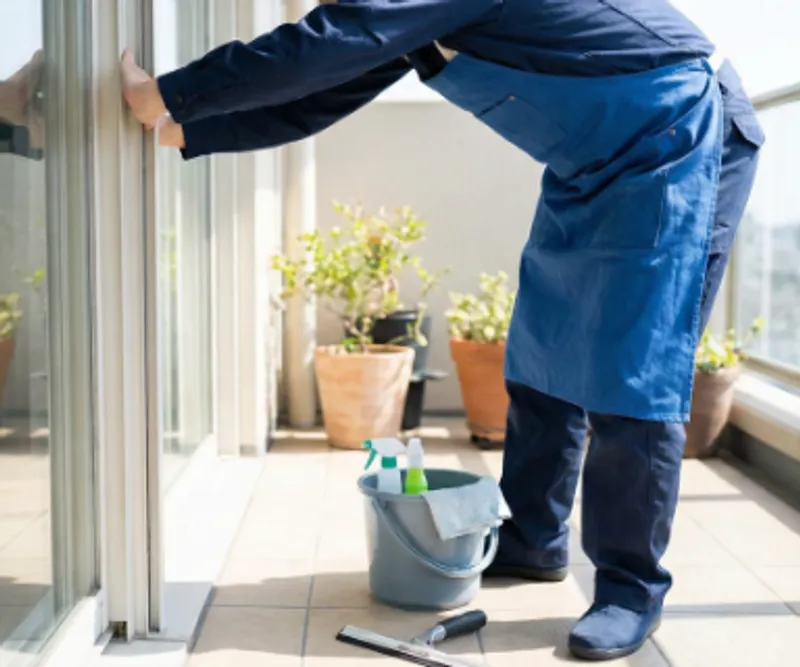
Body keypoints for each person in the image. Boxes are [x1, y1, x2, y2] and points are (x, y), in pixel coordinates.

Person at [122, 0, 764, 660]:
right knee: (542, 344)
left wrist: (170, 92)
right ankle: (535, 538)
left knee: (636, 366)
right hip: (596, 162)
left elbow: (326, 42)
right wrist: (183, 127)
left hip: (678, 132)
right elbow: (322, 85)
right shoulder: (404, 16)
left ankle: (631, 587)